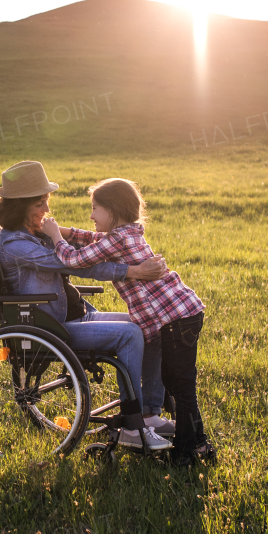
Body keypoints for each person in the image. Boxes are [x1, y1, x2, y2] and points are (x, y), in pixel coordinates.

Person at [0, 160, 172, 451]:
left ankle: (150, 414)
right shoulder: (16, 245)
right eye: (40, 204)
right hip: (51, 328)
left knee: (147, 323)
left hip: (72, 315)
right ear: (22, 206)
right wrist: (133, 271)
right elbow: (77, 265)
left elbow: (85, 250)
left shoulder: (35, 235)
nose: (47, 210)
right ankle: (131, 423)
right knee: (130, 334)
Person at [40, 177, 214, 464]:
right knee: (178, 382)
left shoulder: (118, 239)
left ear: (113, 210)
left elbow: (76, 260)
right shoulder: (125, 234)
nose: (92, 215)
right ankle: (193, 443)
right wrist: (67, 231)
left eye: (95, 208)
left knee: (181, 385)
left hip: (176, 319)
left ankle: (189, 451)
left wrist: (56, 238)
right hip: (181, 315)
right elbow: (94, 240)